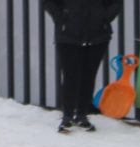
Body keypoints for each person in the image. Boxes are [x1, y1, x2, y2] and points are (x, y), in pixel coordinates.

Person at [44, 0, 121, 134]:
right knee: (70, 75)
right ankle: (67, 116)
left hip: (98, 35)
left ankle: (82, 115)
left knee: (89, 75)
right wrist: (61, 17)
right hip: (68, 35)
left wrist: (104, 17)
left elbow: (116, 3)